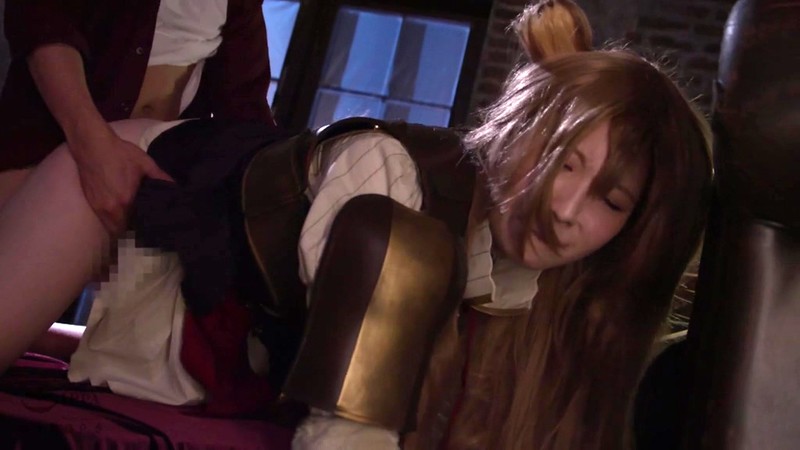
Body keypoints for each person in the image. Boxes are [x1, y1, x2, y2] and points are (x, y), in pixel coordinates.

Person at [0, 1, 712, 449]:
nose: (565, 209)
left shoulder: (536, 291)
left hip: (210, 326)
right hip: (130, 180)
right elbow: (349, 429)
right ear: (522, 126)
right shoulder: (387, 181)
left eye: (610, 201)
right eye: (564, 161)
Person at [0, 0, 275, 234]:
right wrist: (94, 148)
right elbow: (42, 21)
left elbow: (245, 103)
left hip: (148, 175)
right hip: (56, 142)